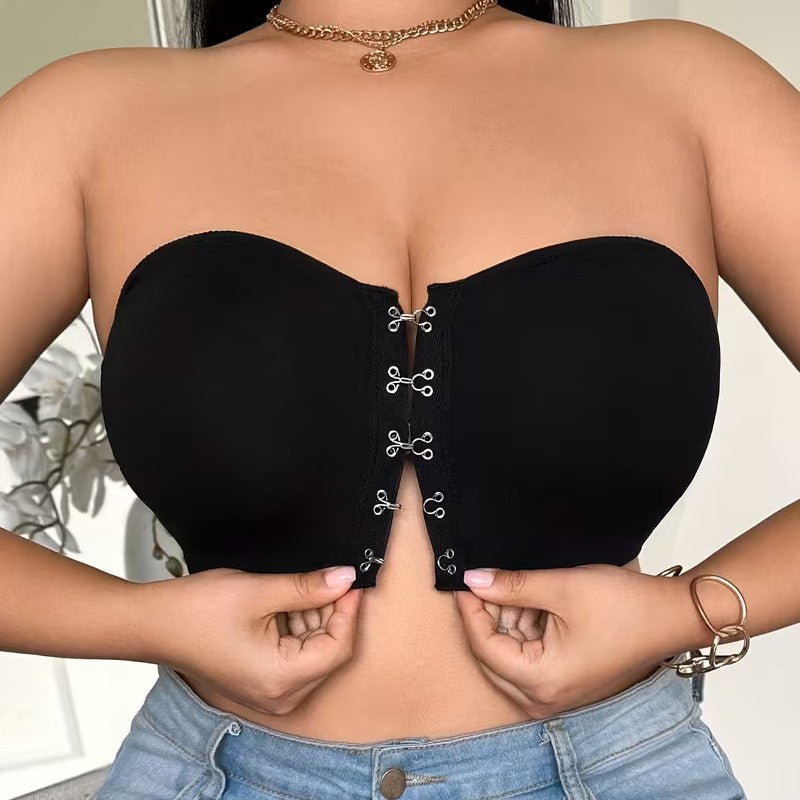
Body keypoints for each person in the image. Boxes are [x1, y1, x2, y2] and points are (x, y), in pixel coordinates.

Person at [1, 1, 798, 797]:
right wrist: (147, 622)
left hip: (622, 771)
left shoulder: (686, 90)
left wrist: (688, 612)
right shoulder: (87, 119)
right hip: (212, 772)